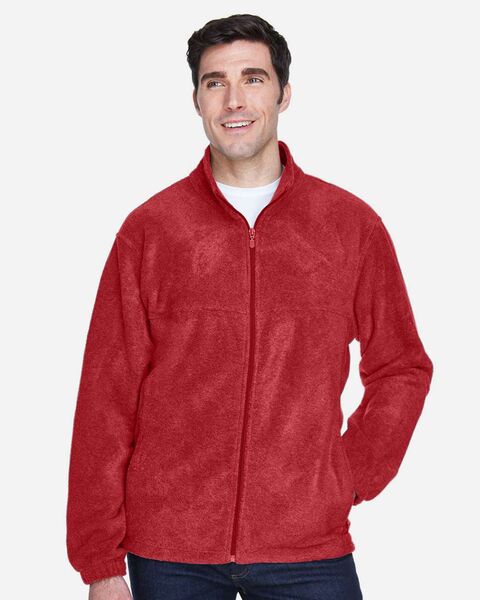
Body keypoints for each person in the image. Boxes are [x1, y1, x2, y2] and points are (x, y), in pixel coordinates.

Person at [66, 13, 434, 600]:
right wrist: (100, 563)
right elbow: (105, 398)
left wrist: (346, 475)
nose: (234, 99)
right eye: (215, 82)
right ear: (196, 100)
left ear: (284, 94)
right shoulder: (151, 231)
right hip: (169, 549)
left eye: (253, 78)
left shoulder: (350, 227)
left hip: (307, 545)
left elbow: (402, 367)